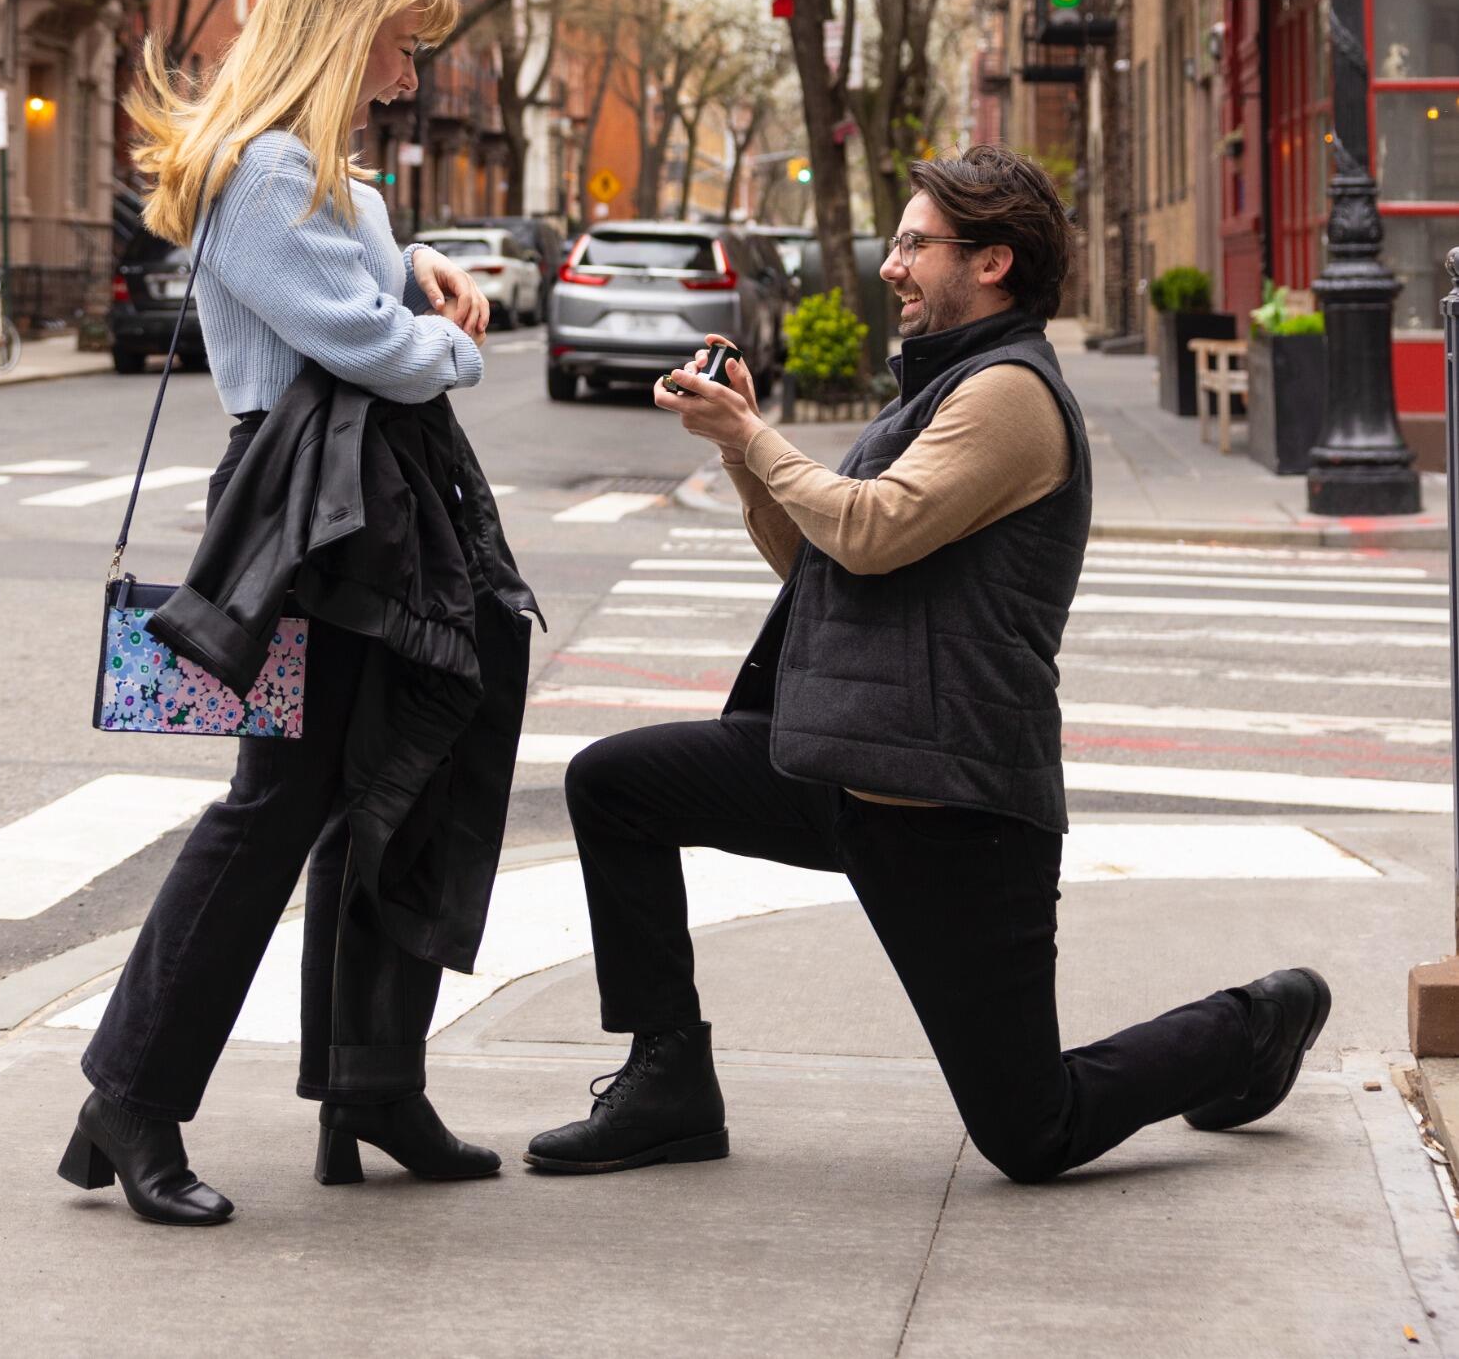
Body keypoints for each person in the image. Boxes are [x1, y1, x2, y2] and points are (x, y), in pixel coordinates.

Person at [525, 145, 1330, 1184]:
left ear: (990, 261)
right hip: (834, 761)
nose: (892, 265)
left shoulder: (1008, 395)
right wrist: (736, 451)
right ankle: (668, 1076)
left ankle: (1247, 1025)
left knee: (1029, 1130)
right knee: (613, 785)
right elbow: (819, 561)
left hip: (948, 803)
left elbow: (869, 530)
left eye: (913, 243)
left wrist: (757, 437)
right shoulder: (938, 387)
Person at [61, 0, 518, 1228]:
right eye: (393, 45)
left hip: (386, 509)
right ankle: (133, 1095)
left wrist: (412, 258)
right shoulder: (261, 175)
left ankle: (373, 1084)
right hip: (306, 520)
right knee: (277, 806)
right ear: (335, 34)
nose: (405, 76)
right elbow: (370, 346)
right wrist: (446, 334)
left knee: (402, 787)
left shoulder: (332, 183)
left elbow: (369, 278)